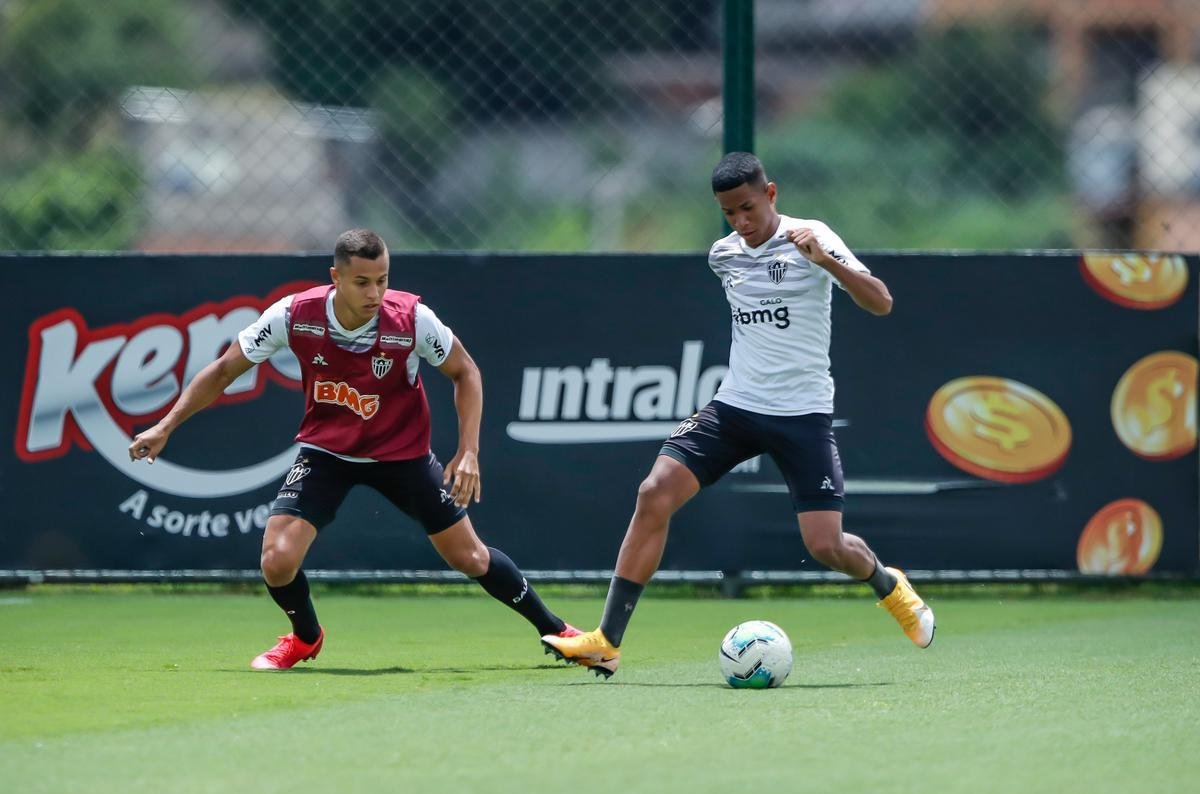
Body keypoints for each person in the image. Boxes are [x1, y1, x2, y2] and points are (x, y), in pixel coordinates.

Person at [541, 152, 934, 678]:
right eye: (729, 213)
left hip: (803, 414)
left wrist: (826, 262)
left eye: (749, 208)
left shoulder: (812, 236)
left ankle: (891, 588)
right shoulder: (722, 256)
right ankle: (606, 640)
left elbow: (881, 301)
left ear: (771, 194)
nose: (741, 223)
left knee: (825, 546)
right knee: (653, 492)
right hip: (736, 407)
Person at [129, 228, 578, 670]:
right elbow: (226, 370)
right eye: (363, 281)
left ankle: (559, 632)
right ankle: (305, 639)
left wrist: (470, 451)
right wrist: (165, 427)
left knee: (471, 557)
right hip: (327, 454)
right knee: (277, 561)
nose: (375, 292)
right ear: (336, 277)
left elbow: (467, 372)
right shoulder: (293, 315)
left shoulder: (413, 320)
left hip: (402, 456)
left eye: (382, 279)